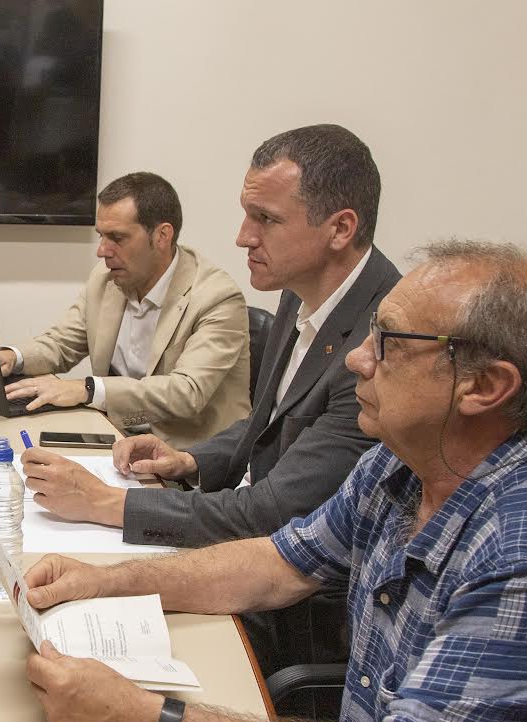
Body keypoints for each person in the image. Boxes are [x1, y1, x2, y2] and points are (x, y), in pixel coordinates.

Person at [23, 241, 527, 722]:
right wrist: (104, 581)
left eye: (389, 343)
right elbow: (273, 565)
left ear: (484, 387)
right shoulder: (402, 465)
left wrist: (143, 721)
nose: (357, 358)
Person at [24, 125, 400, 674]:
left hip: (295, 608)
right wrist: (193, 459)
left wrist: (105, 503)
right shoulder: (301, 296)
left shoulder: (378, 343)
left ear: (340, 229)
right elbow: (270, 424)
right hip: (244, 552)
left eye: (265, 219)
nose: (243, 237)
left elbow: (271, 513)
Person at [0, 171, 250, 450]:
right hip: (115, 434)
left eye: (117, 238)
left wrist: (87, 389)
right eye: (101, 236)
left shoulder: (217, 297)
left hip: (191, 454)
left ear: (162, 236)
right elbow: (62, 343)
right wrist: (12, 357)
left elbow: (187, 392)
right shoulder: (106, 278)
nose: (102, 251)